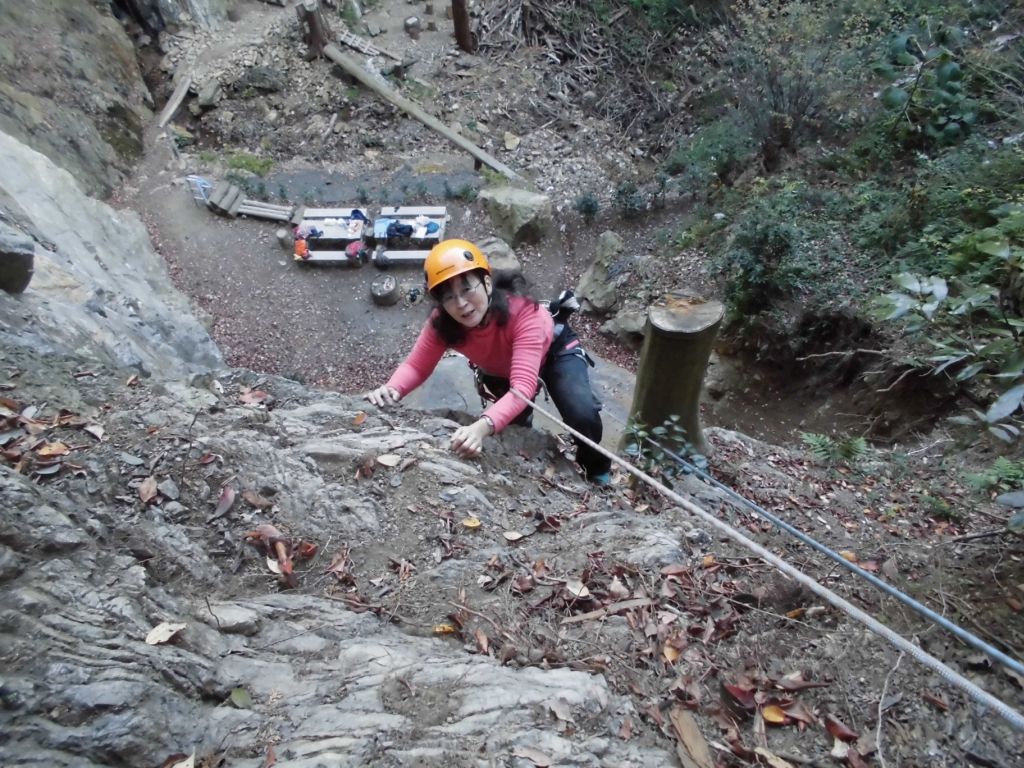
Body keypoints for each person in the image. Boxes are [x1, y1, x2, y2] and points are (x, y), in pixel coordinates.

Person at [366, 238, 612, 484]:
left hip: (555, 354)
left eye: (466, 289)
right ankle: (528, 460)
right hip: (501, 369)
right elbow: (416, 366)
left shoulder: (524, 313)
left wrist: (480, 427)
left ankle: (596, 468)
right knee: (513, 427)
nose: (461, 304)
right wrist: (392, 389)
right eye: (449, 296)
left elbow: (522, 388)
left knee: (582, 413)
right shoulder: (443, 323)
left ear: (486, 282)